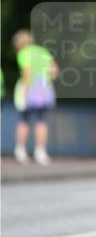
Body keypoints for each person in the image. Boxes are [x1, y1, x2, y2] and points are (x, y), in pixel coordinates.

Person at [12, 29, 58, 165]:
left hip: (30, 87)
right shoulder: (42, 51)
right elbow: (54, 71)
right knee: (41, 120)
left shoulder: (24, 53)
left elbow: (27, 73)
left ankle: (20, 151)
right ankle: (41, 152)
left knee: (24, 119)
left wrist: (23, 92)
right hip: (44, 88)